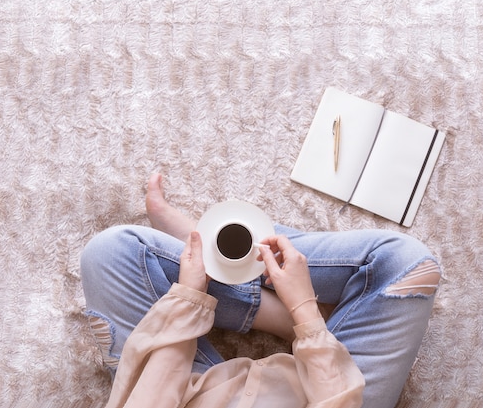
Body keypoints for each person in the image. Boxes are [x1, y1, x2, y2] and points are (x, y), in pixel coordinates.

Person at [80, 174, 442, 408]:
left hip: (190, 392)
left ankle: (226, 255)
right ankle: (246, 259)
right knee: (409, 265)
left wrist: (189, 299)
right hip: (335, 392)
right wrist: (303, 310)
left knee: (110, 253)